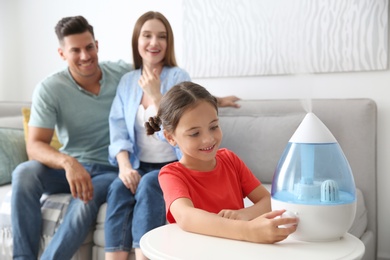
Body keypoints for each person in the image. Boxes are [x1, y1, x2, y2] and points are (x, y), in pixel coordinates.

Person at [105, 11, 240, 260]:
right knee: (117, 187)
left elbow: (179, 121)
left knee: (148, 184)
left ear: (168, 43)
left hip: (173, 165)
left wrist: (157, 96)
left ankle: (144, 254)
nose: (154, 42)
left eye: (161, 36)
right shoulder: (126, 82)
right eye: (147, 35)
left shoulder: (178, 77)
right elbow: (118, 128)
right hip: (138, 164)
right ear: (137, 40)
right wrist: (124, 166)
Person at [10, 16, 132, 259]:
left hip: (109, 169)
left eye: (89, 47)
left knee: (83, 202)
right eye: (75, 50)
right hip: (70, 168)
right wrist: (68, 162)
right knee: (24, 173)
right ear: (62, 53)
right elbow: (35, 146)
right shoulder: (50, 88)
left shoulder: (123, 73)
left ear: (97, 45)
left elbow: (168, 91)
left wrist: (215, 100)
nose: (85, 56)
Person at [145, 81, 298, 244]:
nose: (208, 139)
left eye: (214, 127)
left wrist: (245, 215)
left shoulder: (230, 160)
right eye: (195, 133)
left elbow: (268, 200)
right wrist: (247, 231)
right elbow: (186, 216)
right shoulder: (171, 175)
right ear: (170, 137)